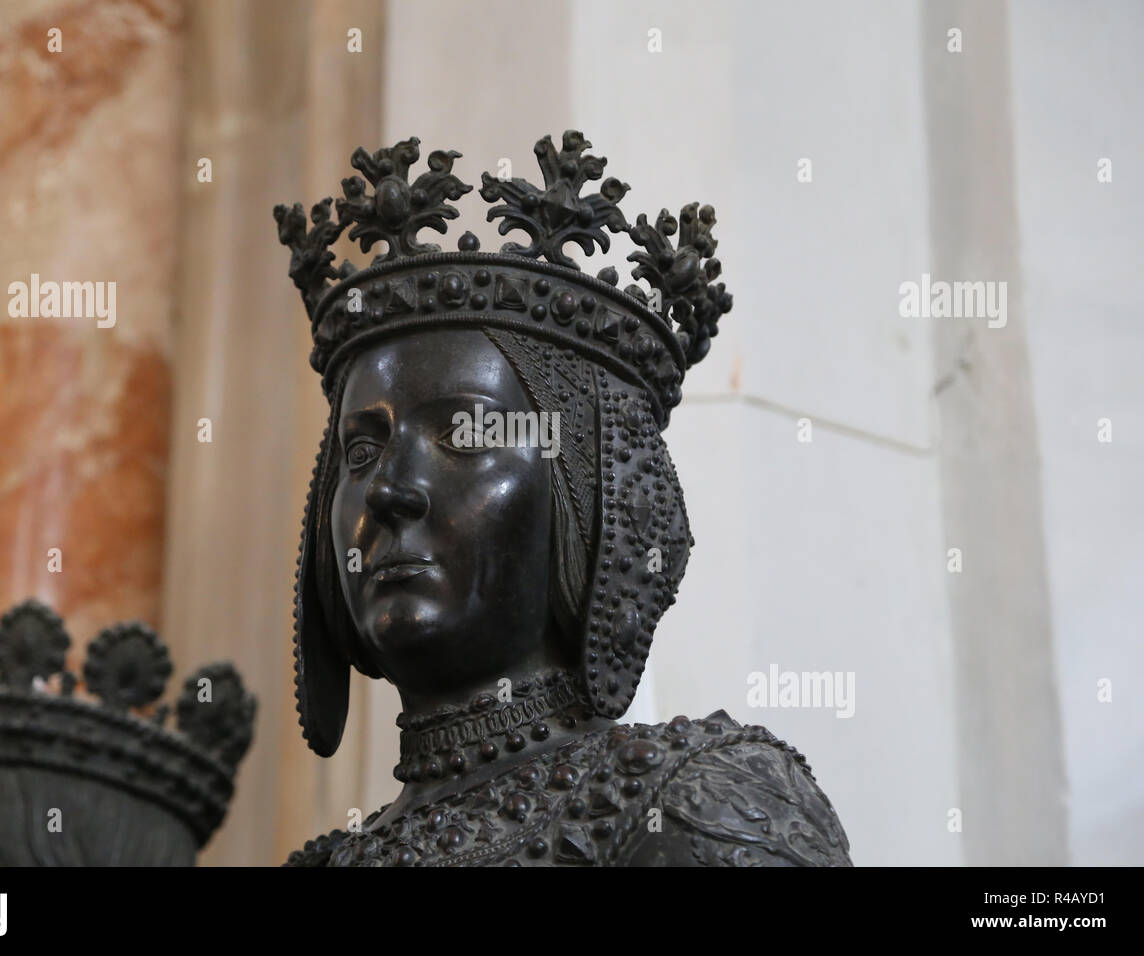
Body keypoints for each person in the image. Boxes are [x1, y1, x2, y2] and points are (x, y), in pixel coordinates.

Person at [279, 132, 851, 866]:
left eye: (464, 432)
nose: (388, 489)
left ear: (587, 493)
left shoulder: (697, 803)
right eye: (362, 452)